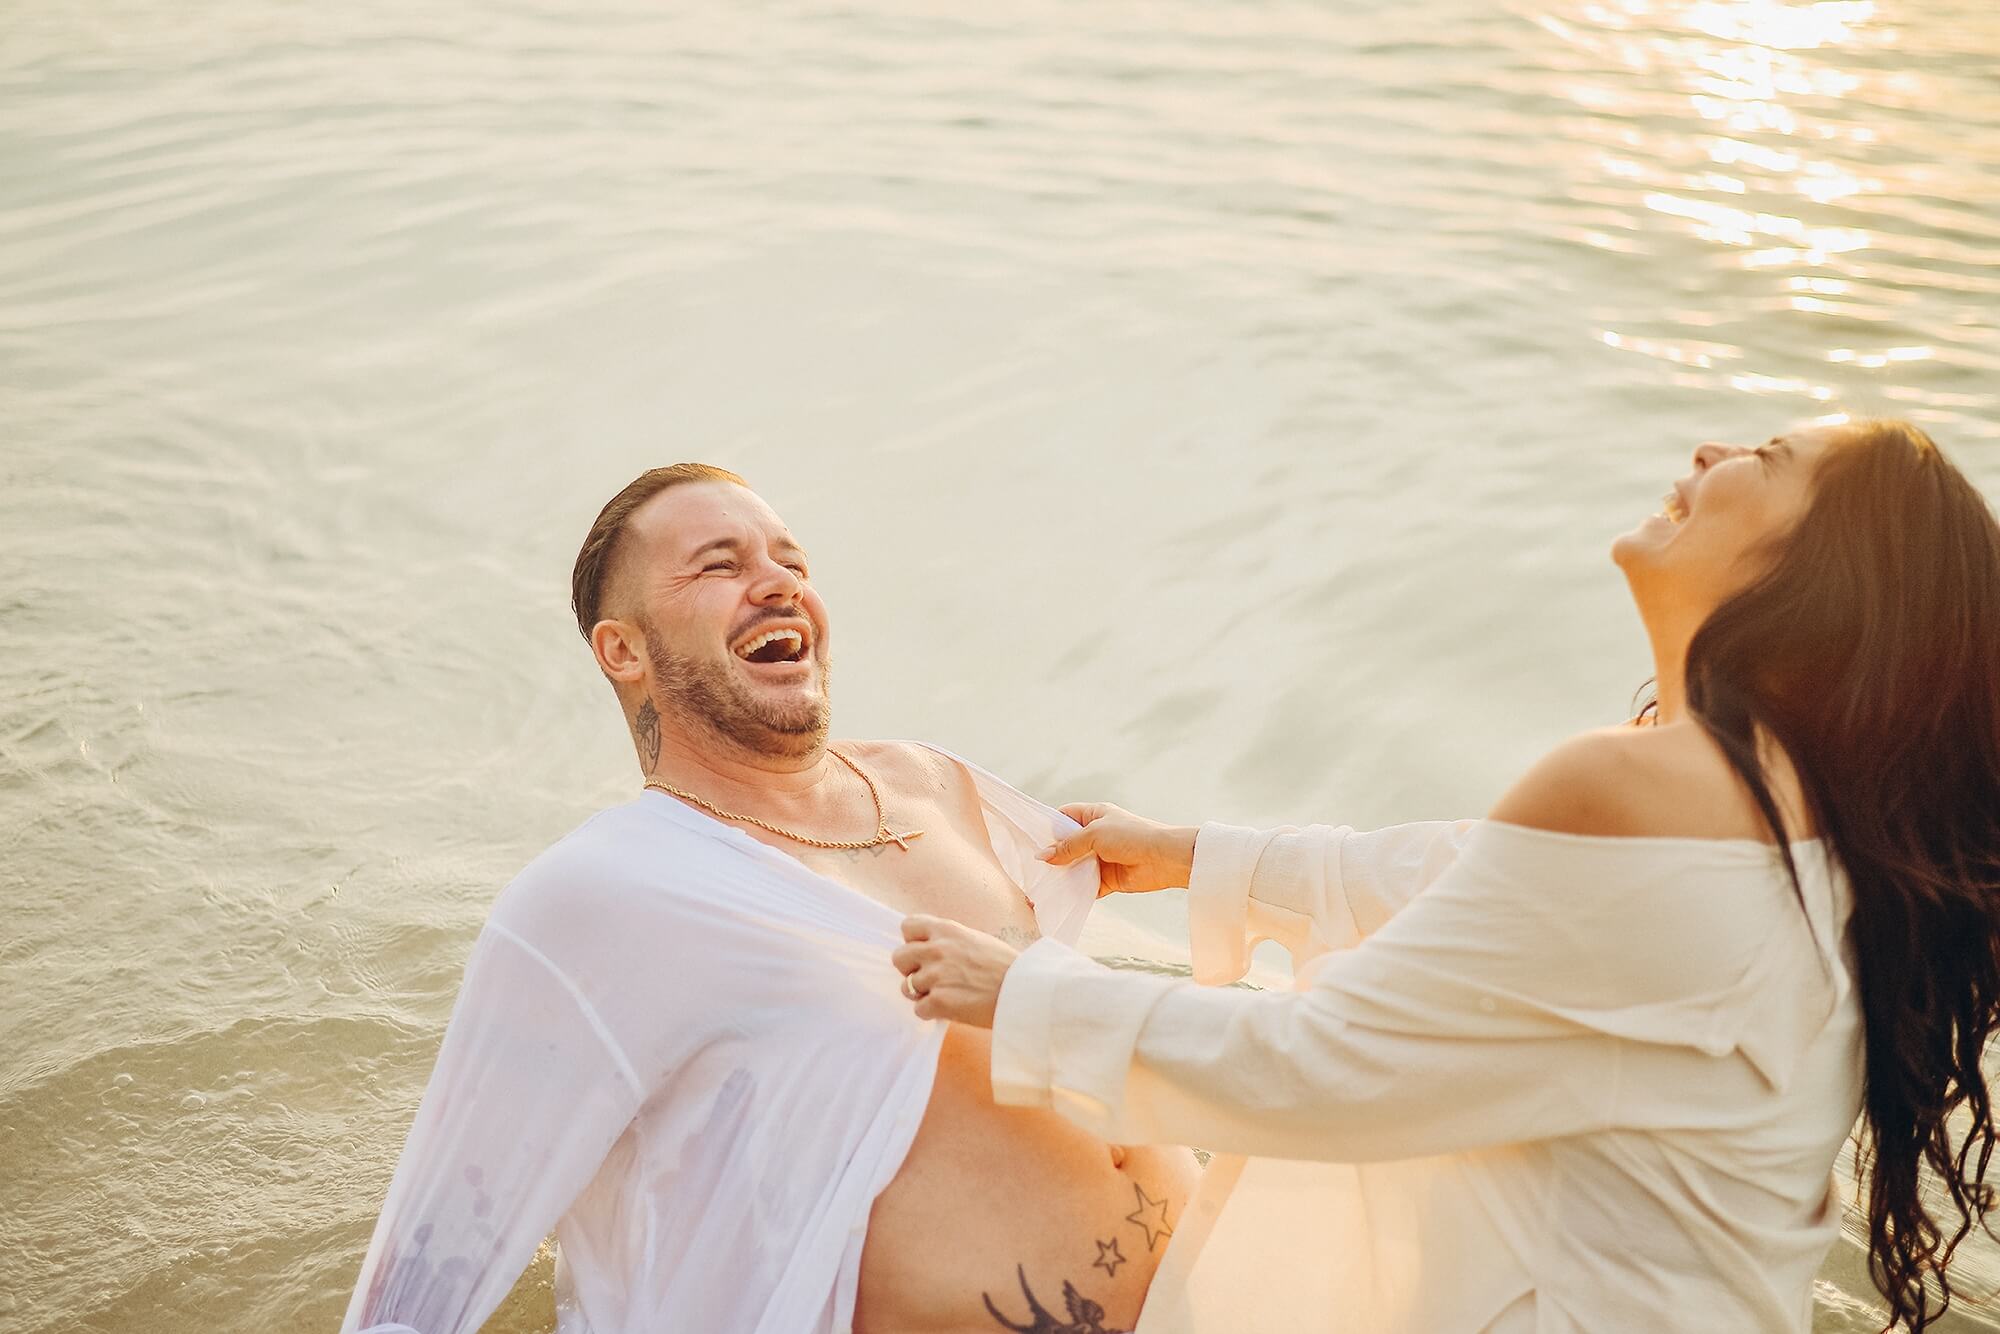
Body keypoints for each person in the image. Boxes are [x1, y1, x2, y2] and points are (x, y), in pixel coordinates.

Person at [895, 419, 2000, 1333]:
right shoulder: (1806, 815)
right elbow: (1480, 876)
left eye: (1765, 456)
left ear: (1821, 577)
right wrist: (1203, 857)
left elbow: (1323, 1066)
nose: (1710, 449)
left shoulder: (1646, 787)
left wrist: (1021, 991)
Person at [340, 464, 1199, 1334]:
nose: (780, 581)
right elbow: (429, 1268)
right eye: (719, 565)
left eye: (792, 561)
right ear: (623, 649)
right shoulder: (599, 895)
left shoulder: (935, 784)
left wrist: (1214, 861)